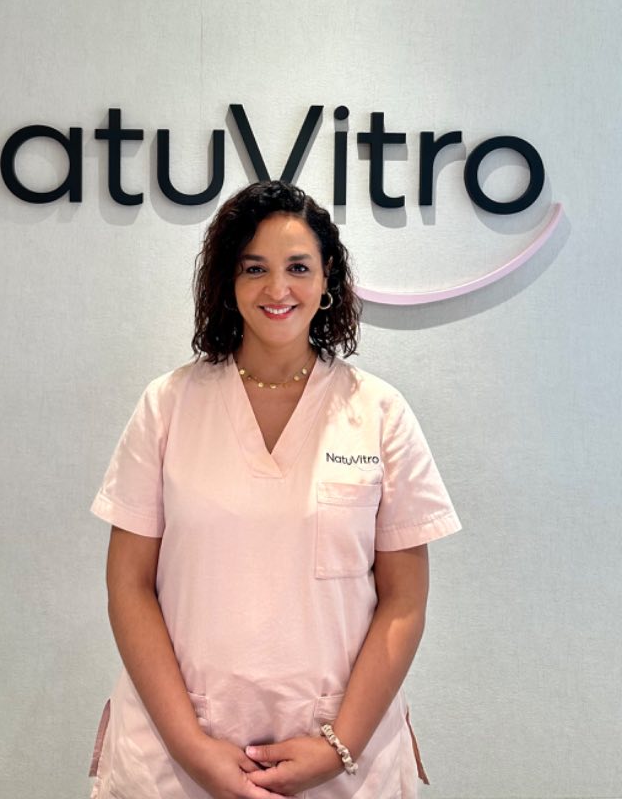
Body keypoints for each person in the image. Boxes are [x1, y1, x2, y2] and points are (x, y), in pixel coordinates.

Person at [89, 180, 462, 799]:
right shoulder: (168, 405)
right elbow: (128, 587)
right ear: (228, 281)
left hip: (341, 757)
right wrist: (192, 748)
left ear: (328, 277)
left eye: (298, 267)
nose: (277, 288)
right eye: (254, 268)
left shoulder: (378, 412)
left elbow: (404, 603)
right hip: (177, 758)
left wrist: (338, 746)